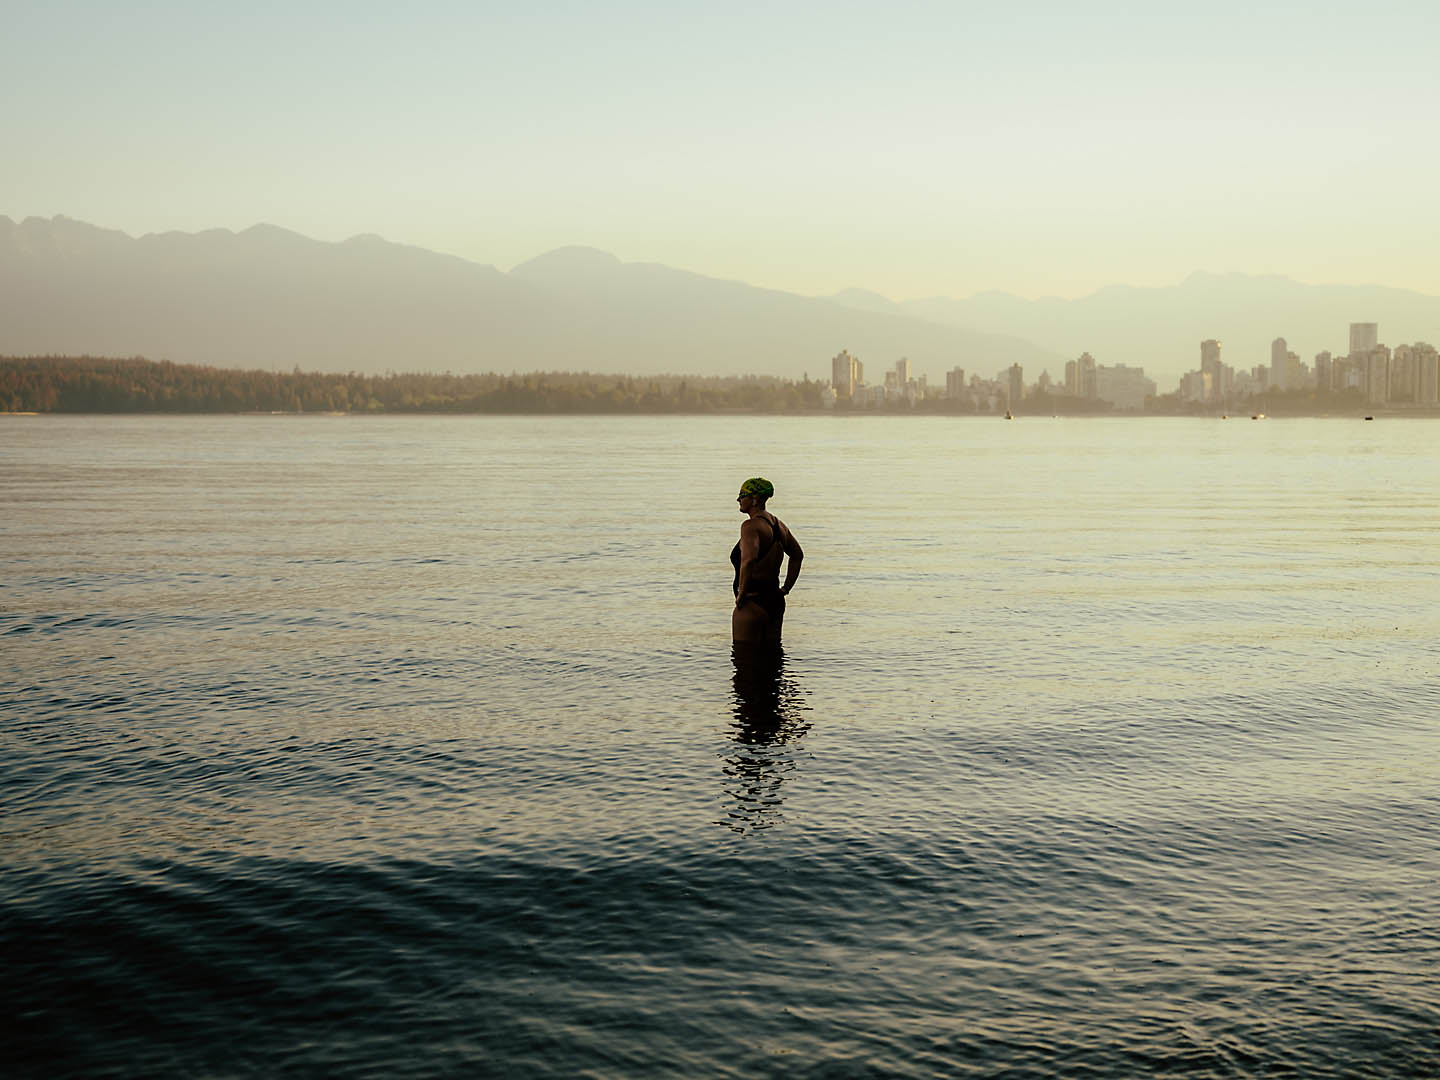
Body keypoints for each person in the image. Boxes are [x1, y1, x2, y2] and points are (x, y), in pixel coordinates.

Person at [731, 477, 803, 644]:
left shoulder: (750, 526)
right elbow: (797, 555)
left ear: (755, 499)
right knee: (773, 659)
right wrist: (785, 588)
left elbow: (748, 560)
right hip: (775, 601)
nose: (738, 499)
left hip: (752, 602)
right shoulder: (779, 525)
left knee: (744, 661)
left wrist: (742, 595)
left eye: (742, 495)